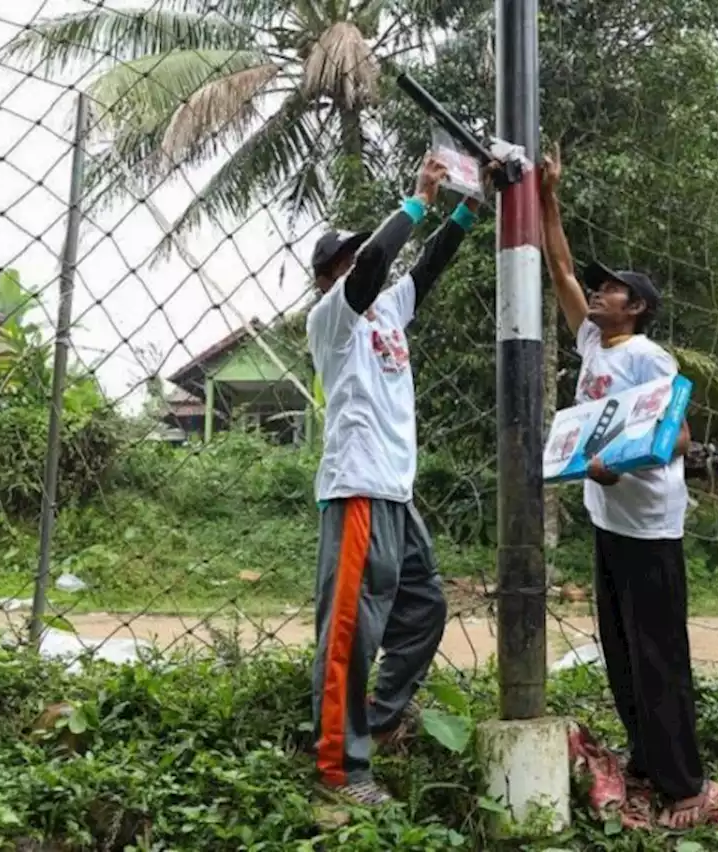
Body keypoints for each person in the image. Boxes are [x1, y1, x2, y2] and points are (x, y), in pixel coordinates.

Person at [539, 144, 718, 830]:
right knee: (621, 652)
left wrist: (617, 462)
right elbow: (558, 264)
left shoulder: (650, 358)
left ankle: (687, 785)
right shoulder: (593, 343)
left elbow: (676, 439)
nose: (596, 292)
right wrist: (547, 195)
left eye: (612, 288)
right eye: (598, 288)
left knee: (659, 656)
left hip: (649, 526)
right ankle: (646, 761)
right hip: (608, 522)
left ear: (639, 307)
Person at [306, 154, 480, 806]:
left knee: (424, 610)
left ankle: (373, 722)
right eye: (346, 259)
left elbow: (426, 267)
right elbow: (379, 262)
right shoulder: (333, 318)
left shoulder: (386, 313)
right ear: (328, 277)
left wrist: (468, 206)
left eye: (358, 254)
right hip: (356, 490)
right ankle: (339, 771)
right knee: (351, 631)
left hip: (396, 495)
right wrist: (416, 200)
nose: (360, 264)